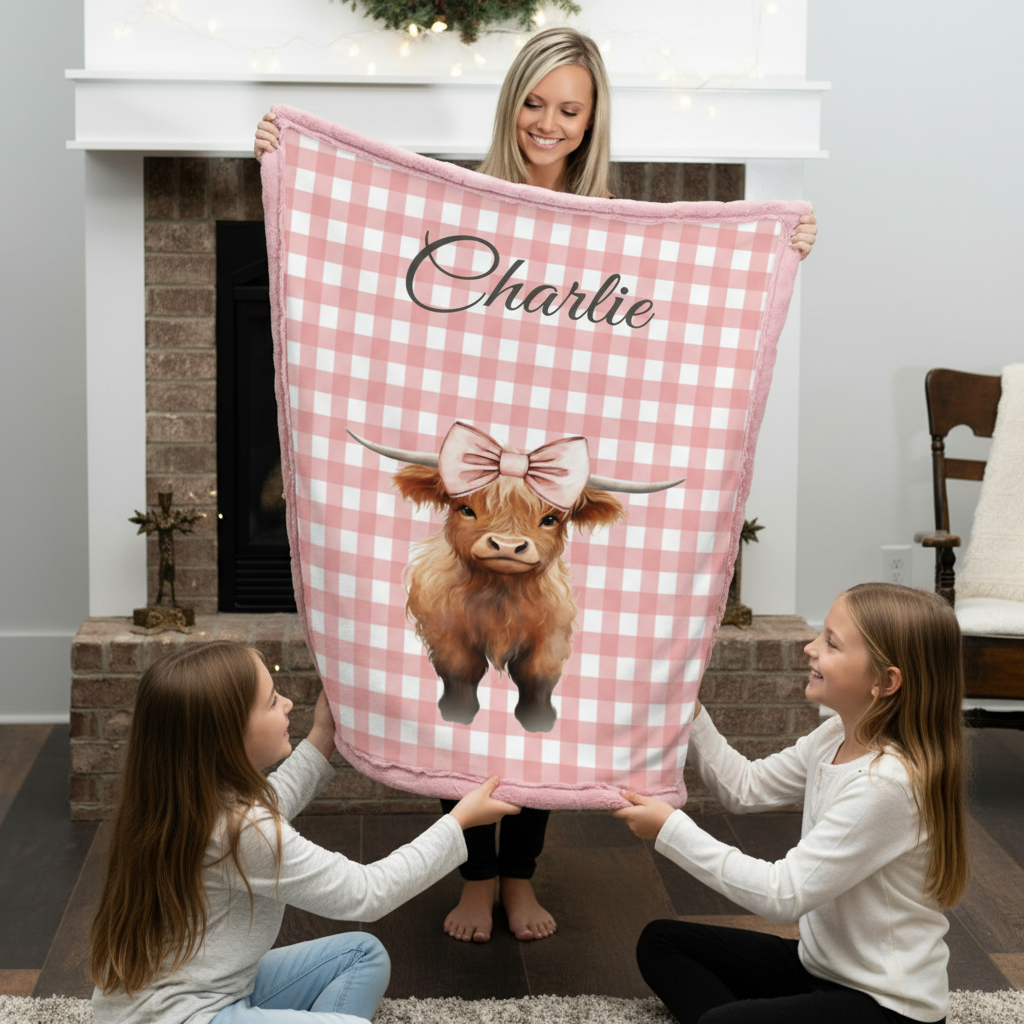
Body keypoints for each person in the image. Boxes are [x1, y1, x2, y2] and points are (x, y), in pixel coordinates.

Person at [252, 25, 818, 946]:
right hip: (475, 474)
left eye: (569, 109)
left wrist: (779, 243)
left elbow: (666, 337)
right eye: (534, 102)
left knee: (552, 697)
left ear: (591, 122)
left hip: (550, 480)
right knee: (457, 681)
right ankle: (472, 875)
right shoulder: (447, 206)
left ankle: (522, 873)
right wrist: (289, 164)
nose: (547, 123)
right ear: (510, 101)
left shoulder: (612, 235)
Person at [89, 641, 519, 1024]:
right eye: (272, 700)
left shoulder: (182, 802)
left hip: (203, 993)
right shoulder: (242, 831)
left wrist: (323, 734)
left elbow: (271, 801)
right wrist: (458, 822)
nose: (289, 703)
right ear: (225, 739)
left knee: (361, 955)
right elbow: (368, 893)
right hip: (183, 1015)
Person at [613, 582, 969, 1024]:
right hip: (819, 969)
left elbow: (783, 895)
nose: (809, 648)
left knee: (718, 1021)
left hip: (888, 1006)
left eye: (831, 643)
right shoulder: (835, 736)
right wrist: (689, 707)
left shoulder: (889, 784)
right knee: (660, 942)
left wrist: (670, 829)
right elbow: (744, 786)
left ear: (885, 681)